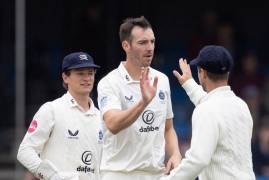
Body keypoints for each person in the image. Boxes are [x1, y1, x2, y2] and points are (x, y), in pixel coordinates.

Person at [97, 16, 181, 180]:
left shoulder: (161, 80)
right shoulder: (109, 82)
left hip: (156, 174)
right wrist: (143, 103)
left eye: (152, 41)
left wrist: (176, 154)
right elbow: (113, 124)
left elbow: (168, 128)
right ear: (126, 45)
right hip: (118, 174)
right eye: (142, 43)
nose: (150, 48)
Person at [161, 45, 255, 180]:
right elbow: (215, 105)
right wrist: (189, 83)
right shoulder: (241, 106)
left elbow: (197, 161)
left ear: (202, 73)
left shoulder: (206, 110)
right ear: (227, 73)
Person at [17, 52, 103, 180]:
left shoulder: (101, 117)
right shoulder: (51, 110)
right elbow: (25, 151)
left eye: (90, 73)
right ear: (65, 77)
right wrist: (52, 176)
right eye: (80, 73)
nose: (87, 78)